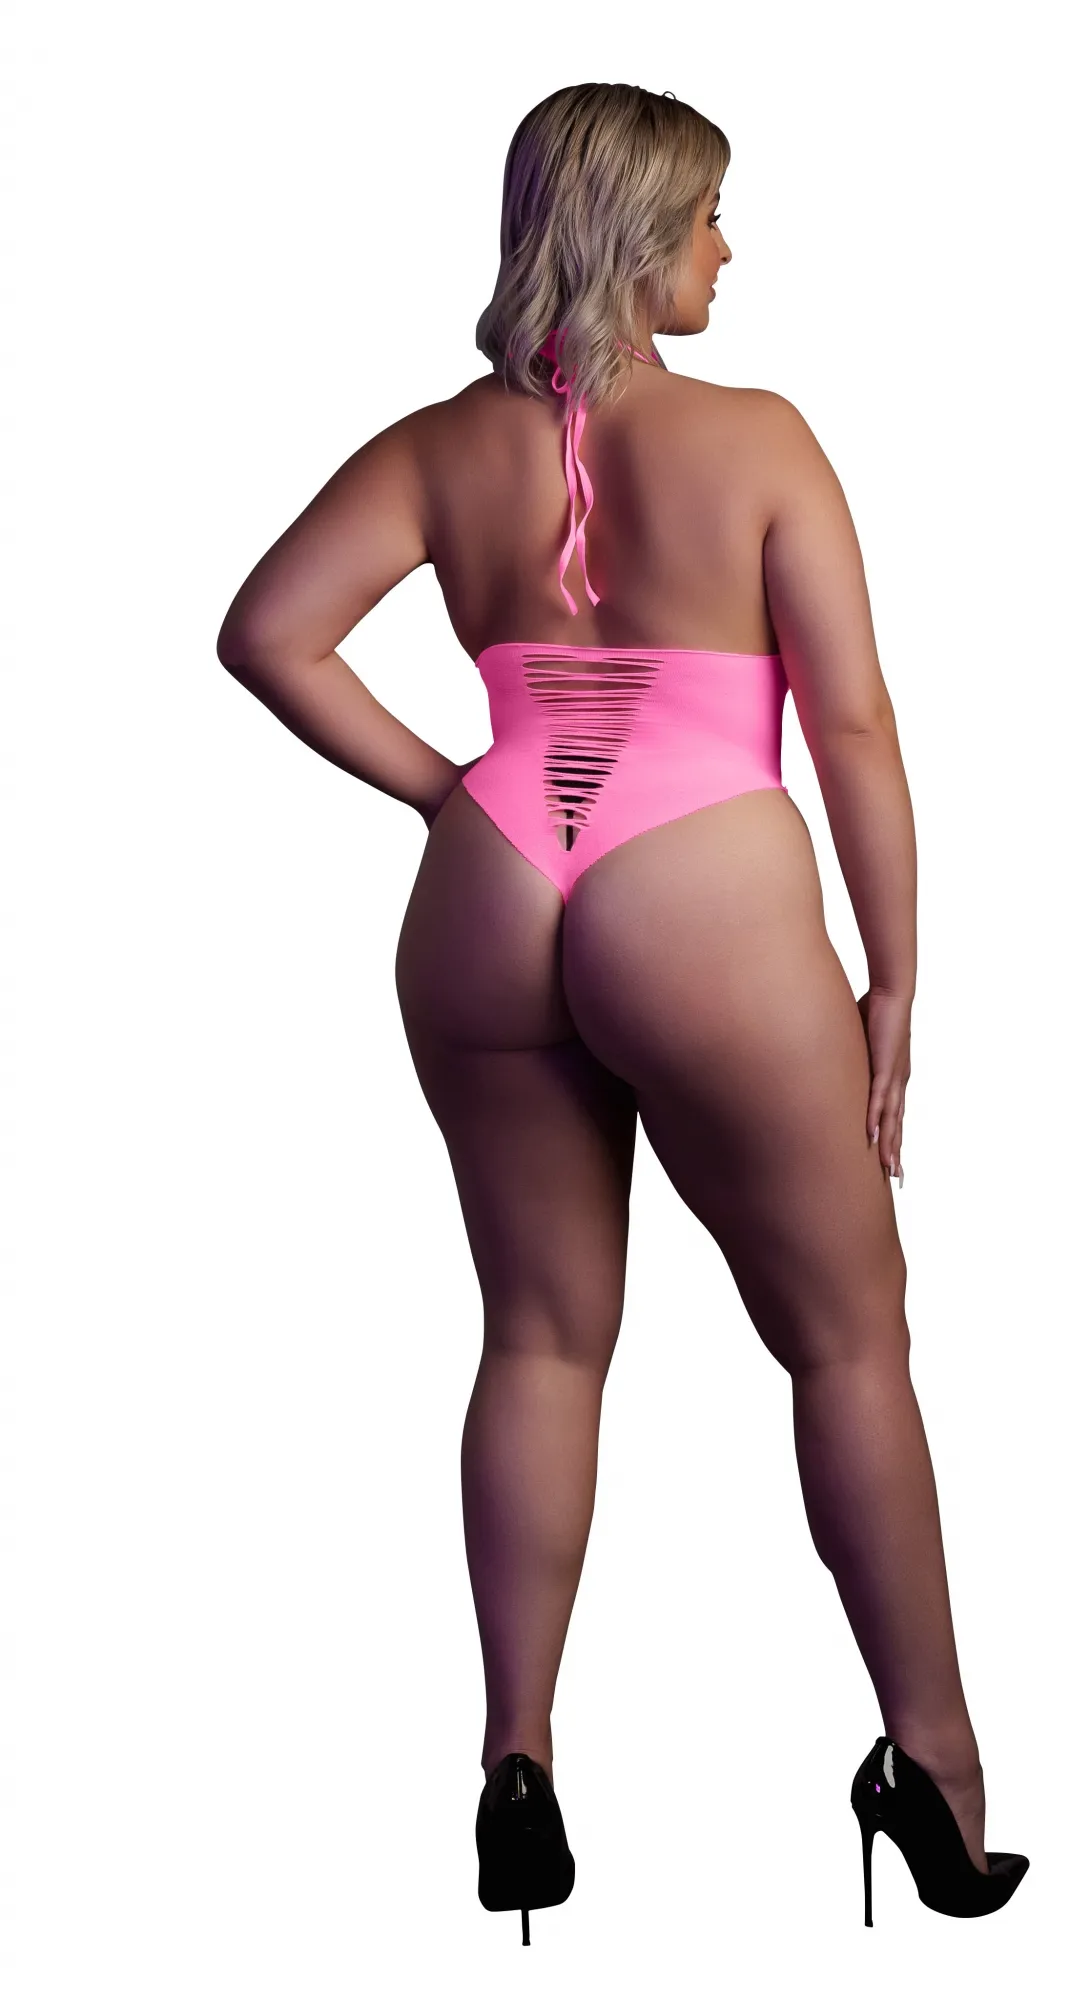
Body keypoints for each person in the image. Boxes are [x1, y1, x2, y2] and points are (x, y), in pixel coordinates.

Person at [216, 81, 1027, 1942]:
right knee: (847, 1341)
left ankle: (516, 1759)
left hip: (490, 880)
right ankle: (934, 1768)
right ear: (641, 229)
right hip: (702, 888)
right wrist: (897, 976)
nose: (729, 249)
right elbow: (851, 727)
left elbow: (267, 633)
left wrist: (453, 793)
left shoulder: (436, 447)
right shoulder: (758, 438)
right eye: (711, 216)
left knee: (538, 1337)